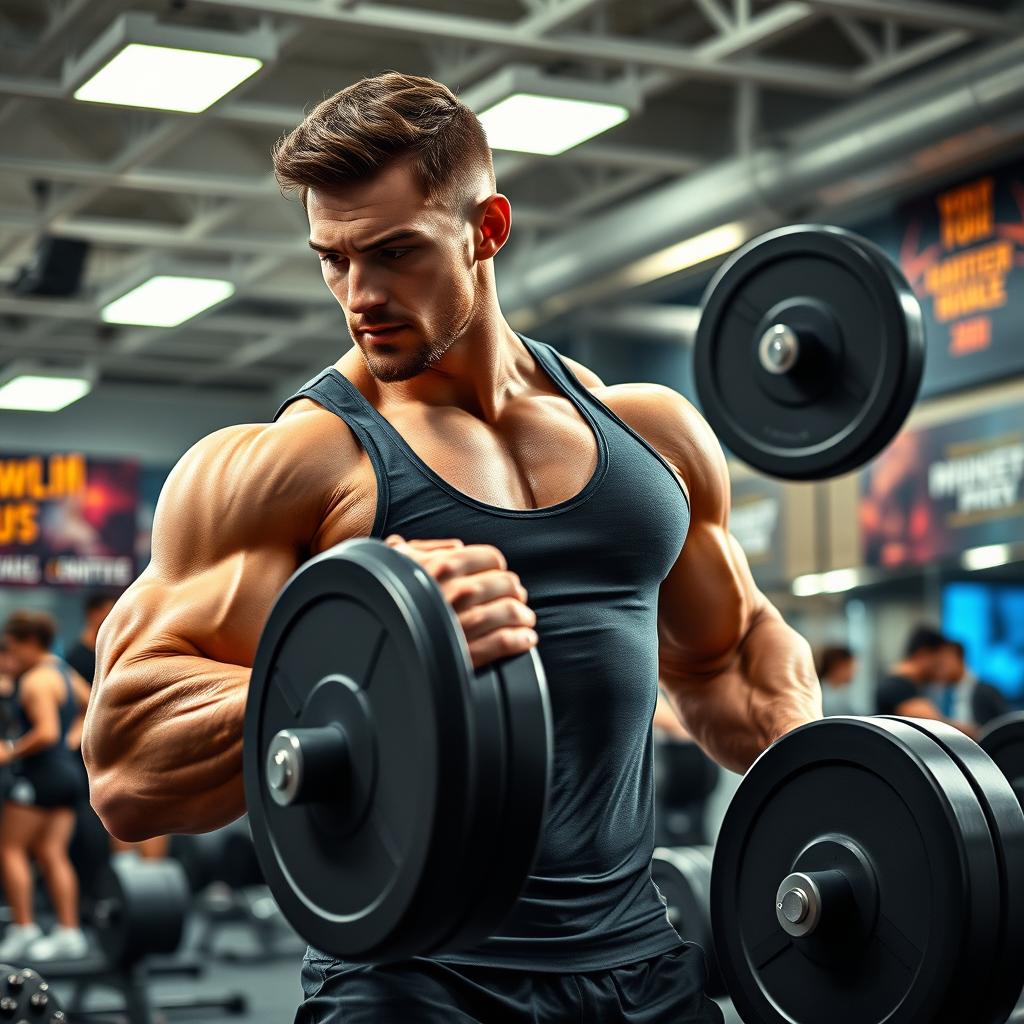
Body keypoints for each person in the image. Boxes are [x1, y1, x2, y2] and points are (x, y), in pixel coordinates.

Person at [82, 73, 820, 1024]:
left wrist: (833, 768)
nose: (361, 295)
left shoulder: (651, 436)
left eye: (395, 252)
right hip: (414, 982)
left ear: (488, 228)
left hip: (646, 964)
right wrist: (381, 660)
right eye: (333, 259)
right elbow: (126, 764)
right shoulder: (290, 465)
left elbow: (729, 662)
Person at [0, 610, 91, 961]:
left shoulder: (36, 681)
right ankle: (70, 932)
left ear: (29, 642)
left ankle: (24, 928)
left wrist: (9, 751)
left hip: (39, 775)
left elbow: (46, 731)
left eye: (12, 646)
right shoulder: (61, 670)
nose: (10, 655)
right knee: (52, 853)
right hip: (66, 773)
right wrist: (74, 740)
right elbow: (91, 704)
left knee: (10, 849)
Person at [875, 625, 976, 735]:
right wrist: (973, 733)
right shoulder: (897, 687)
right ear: (923, 654)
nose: (942, 670)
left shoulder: (905, 685)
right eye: (939, 662)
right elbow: (935, 726)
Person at [939, 640, 1010, 727]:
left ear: (956, 657)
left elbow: (1006, 727)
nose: (938, 671)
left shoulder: (986, 691)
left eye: (942, 664)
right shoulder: (945, 696)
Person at [64, 592, 117, 686]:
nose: (113, 619)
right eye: (108, 613)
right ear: (93, 614)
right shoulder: (75, 657)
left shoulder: (114, 651)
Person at [816, 645, 859, 717]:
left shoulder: (841, 692)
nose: (855, 671)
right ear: (839, 666)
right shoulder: (823, 696)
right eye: (851, 666)